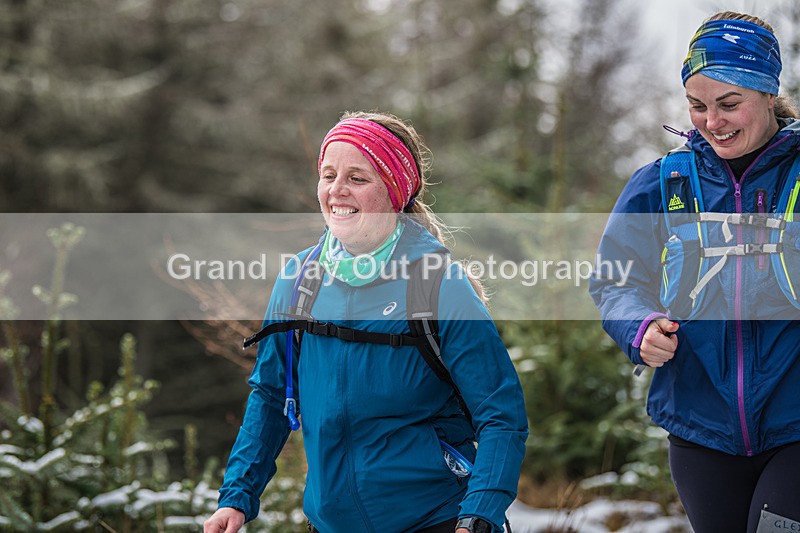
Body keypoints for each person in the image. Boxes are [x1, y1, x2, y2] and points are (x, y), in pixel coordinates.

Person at [204, 111, 528, 533]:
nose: (336, 190)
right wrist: (236, 497)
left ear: (394, 191)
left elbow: (501, 413)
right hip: (330, 524)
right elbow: (270, 397)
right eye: (328, 174)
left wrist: (480, 513)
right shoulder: (300, 280)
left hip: (437, 519)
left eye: (358, 178)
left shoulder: (438, 283)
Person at [590, 11, 800, 533]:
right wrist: (637, 326)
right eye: (697, 105)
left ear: (769, 95)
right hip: (700, 431)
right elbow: (614, 278)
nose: (712, 121)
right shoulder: (664, 182)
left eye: (730, 104)